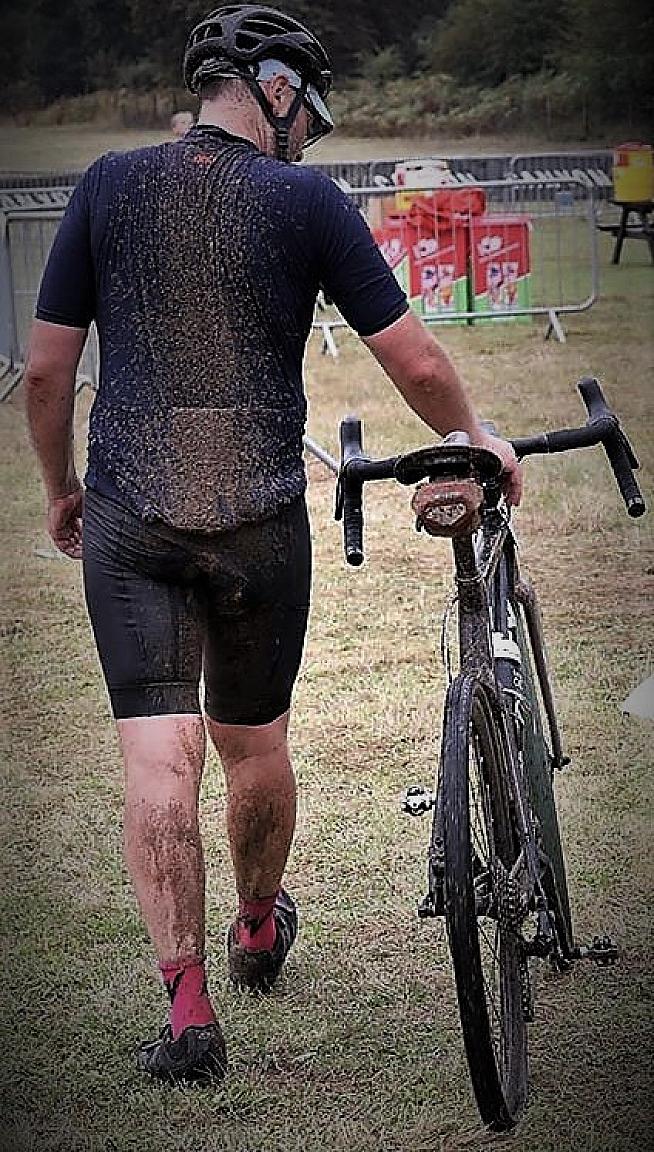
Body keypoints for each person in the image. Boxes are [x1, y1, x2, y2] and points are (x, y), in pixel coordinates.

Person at [24, 4, 522, 1086]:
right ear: (279, 89)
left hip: (130, 518)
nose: (314, 131)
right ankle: (258, 927)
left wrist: (61, 490)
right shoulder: (305, 200)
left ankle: (189, 1014)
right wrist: (471, 438)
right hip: (258, 520)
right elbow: (417, 363)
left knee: (159, 761)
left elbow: (50, 372)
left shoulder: (106, 185)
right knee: (253, 747)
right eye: (312, 105)